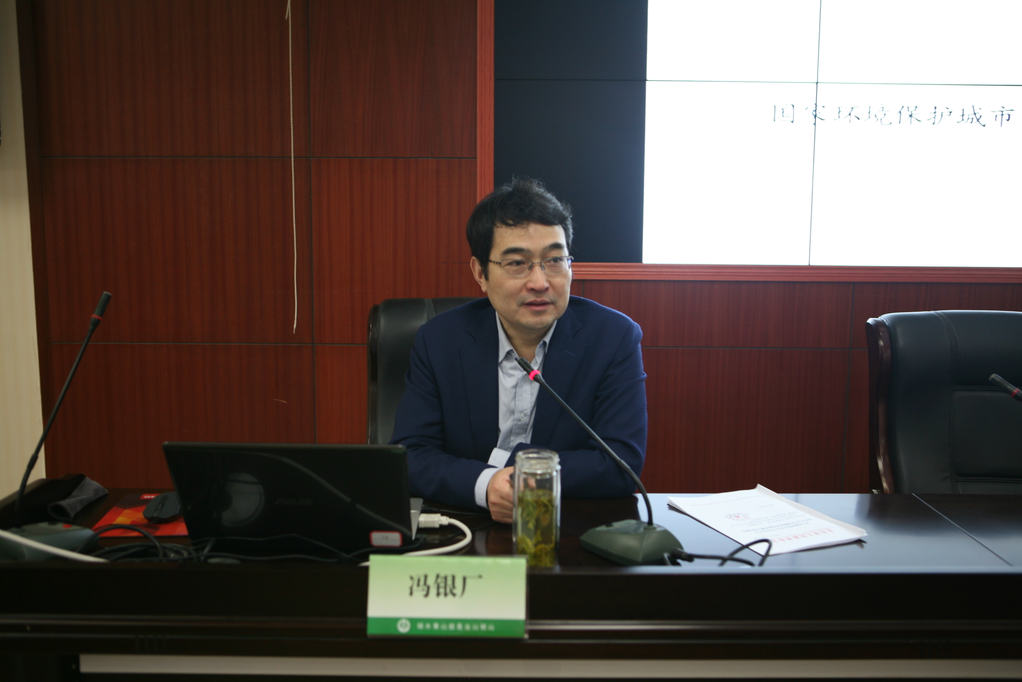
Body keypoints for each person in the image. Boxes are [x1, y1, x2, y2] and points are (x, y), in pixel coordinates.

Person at [390, 178, 647, 523]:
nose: (540, 282)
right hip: (462, 525)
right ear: (480, 273)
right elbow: (410, 456)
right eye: (517, 263)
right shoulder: (440, 341)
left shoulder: (613, 338)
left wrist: (519, 476)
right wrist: (485, 484)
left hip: (567, 528)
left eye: (555, 260)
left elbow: (621, 463)